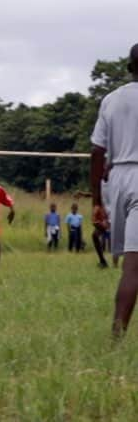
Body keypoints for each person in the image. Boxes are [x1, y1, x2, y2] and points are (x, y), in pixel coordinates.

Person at [90, 43, 138, 338]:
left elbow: (97, 152)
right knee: (134, 266)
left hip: (118, 178)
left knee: (131, 264)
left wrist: (97, 199)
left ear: (129, 66)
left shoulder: (112, 99)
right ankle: (116, 339)